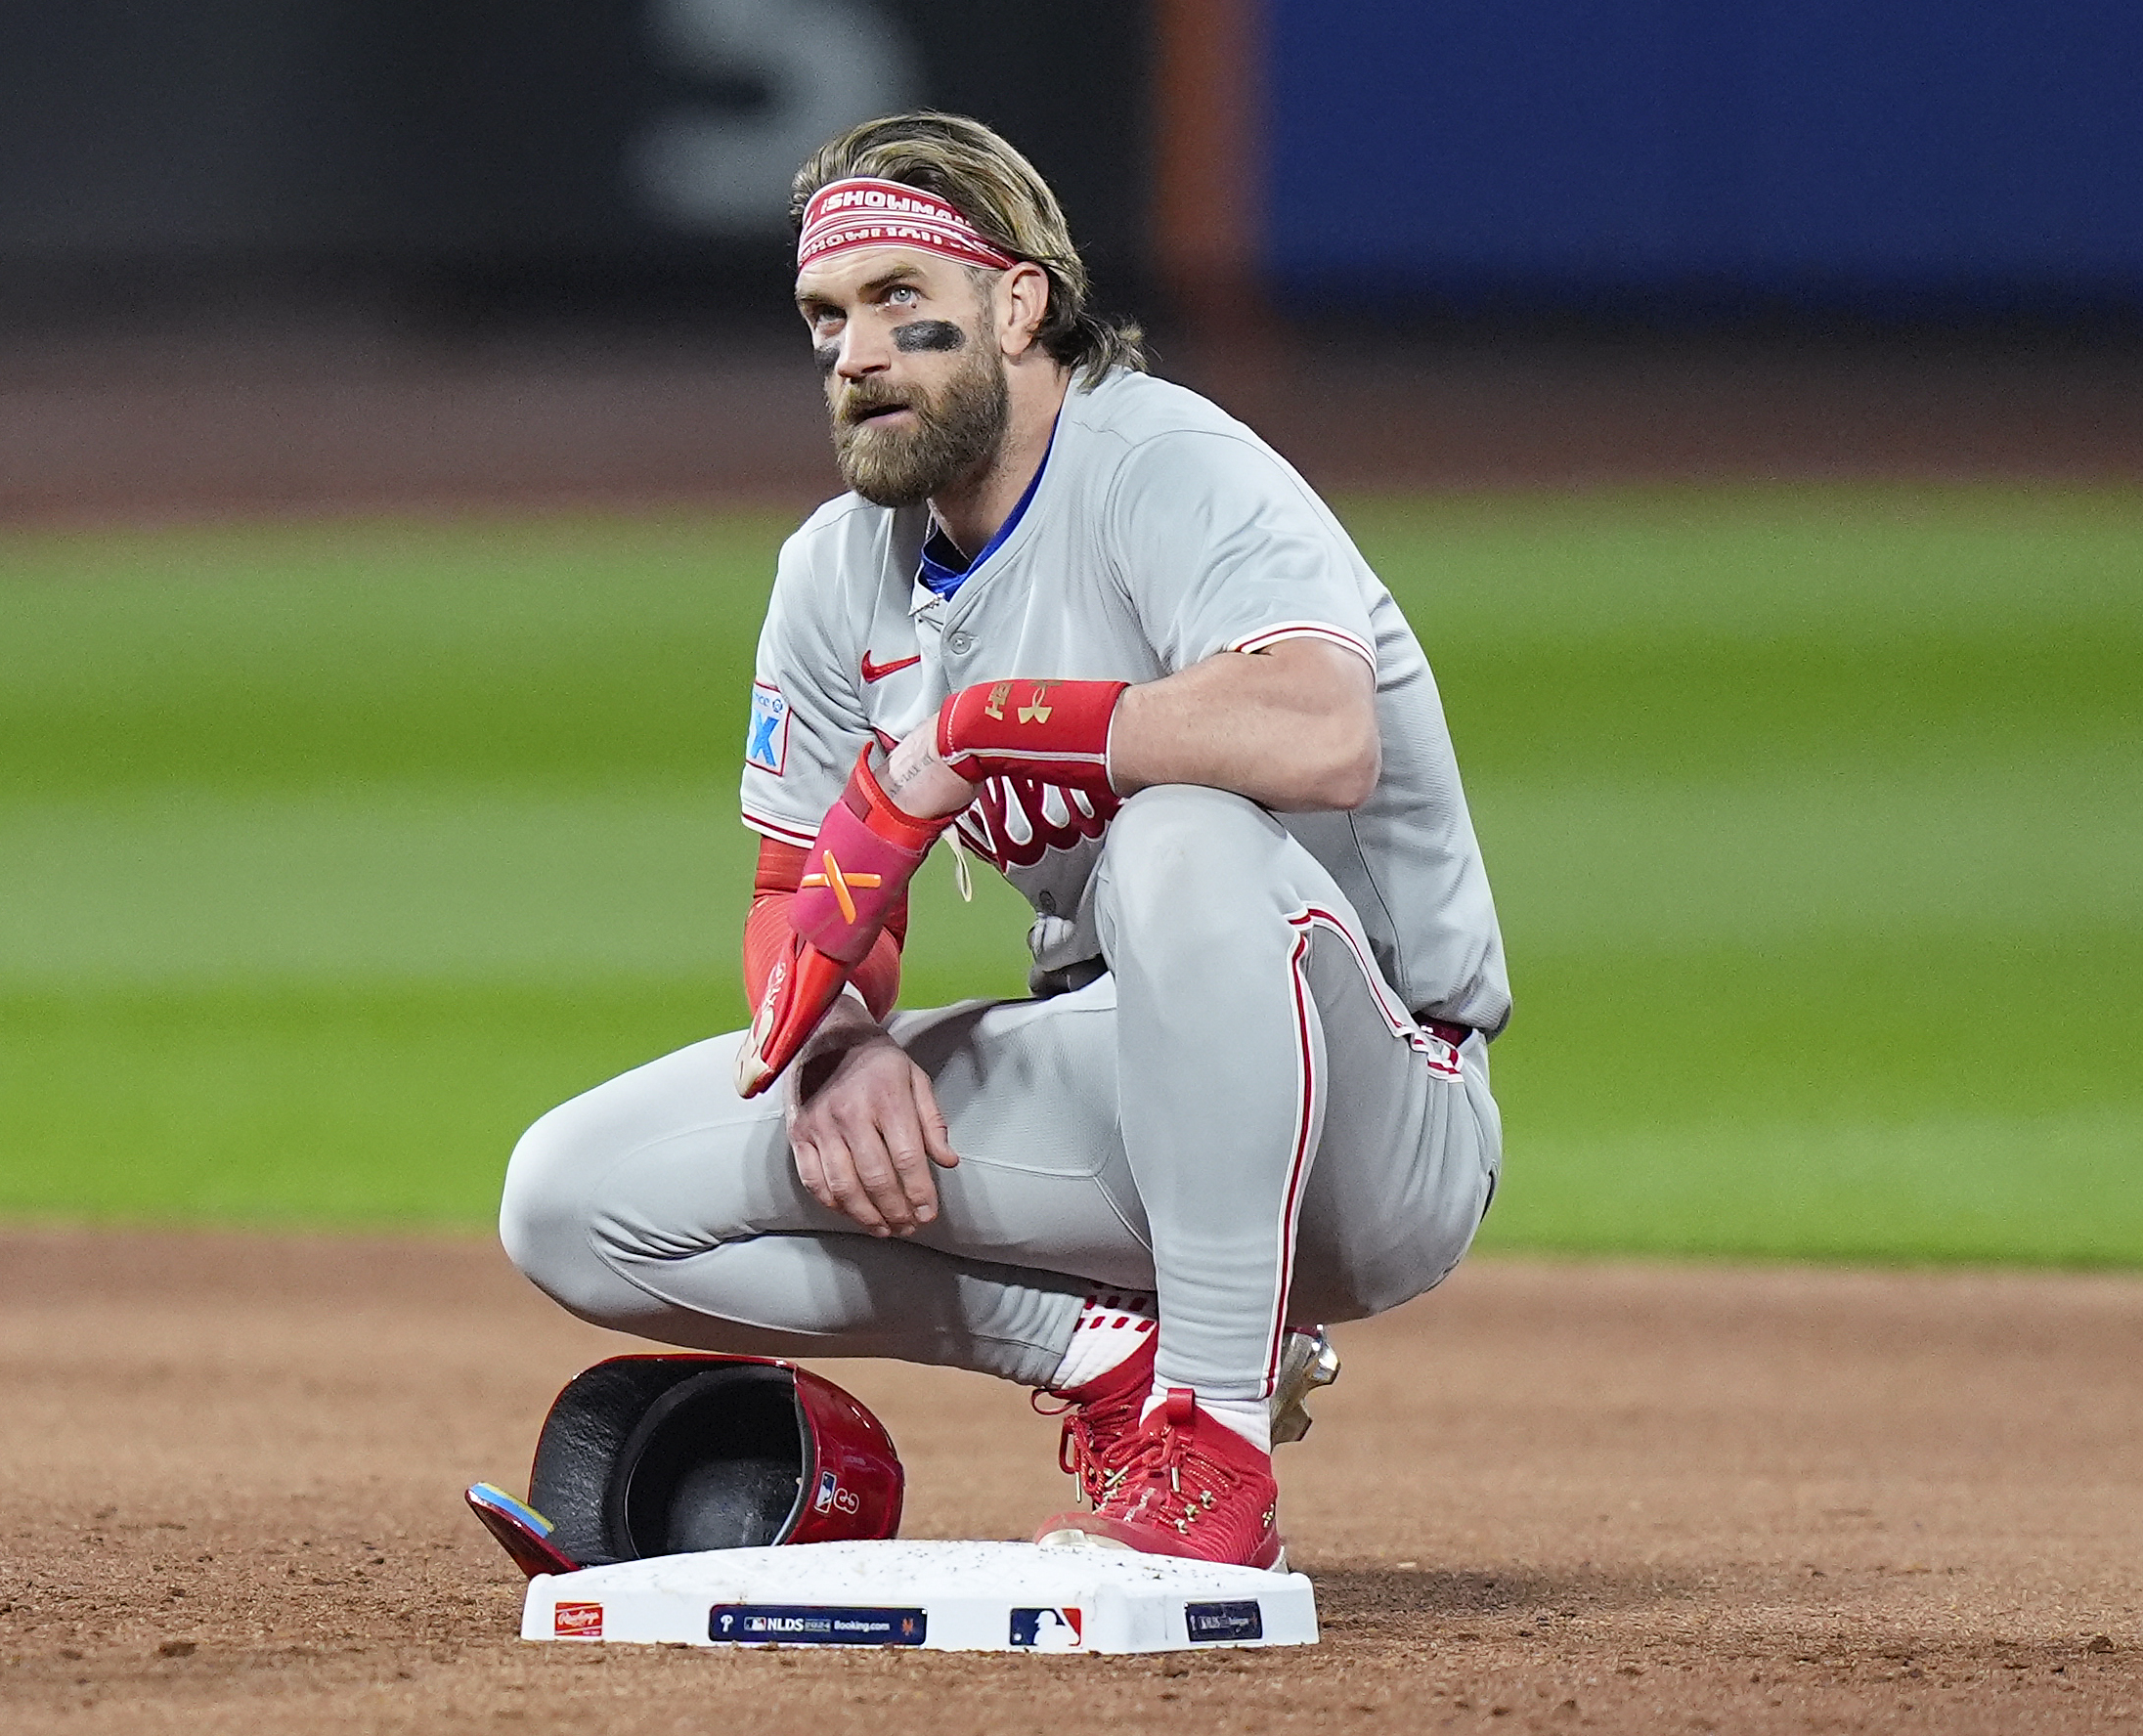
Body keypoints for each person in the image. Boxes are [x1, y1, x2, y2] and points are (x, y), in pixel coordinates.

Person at [500, 111, 1509, 1572]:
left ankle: (1212, 1445)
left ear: (1019, 302)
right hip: (1126, 1089)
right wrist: (840, 1041)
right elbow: (800, 889)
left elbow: (1319, 731)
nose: (857, 351)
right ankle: (1109, 1359)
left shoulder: (1164, 465)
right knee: (573, 1201)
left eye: (905, 302)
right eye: (828, 317)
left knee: (1180, 839)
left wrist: (993, 724)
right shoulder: (836, 568)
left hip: (1376, 1119)